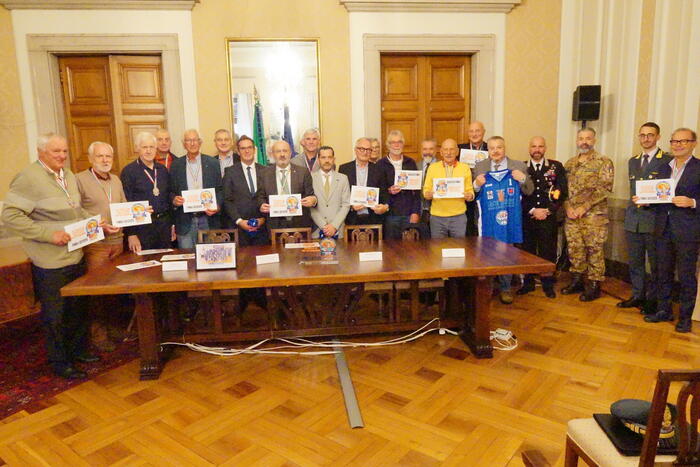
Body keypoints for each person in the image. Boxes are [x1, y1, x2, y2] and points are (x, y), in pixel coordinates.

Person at [1, 134, 113, 379]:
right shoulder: (29, 178)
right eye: (56, 152)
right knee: (56, 314)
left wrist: (96, 223)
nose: (62, 156)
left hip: (75, 255)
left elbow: (76, 210)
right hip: (50, 261)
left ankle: (78, 351)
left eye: (64, 151)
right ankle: (61, 362)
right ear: (41, 153)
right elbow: (10, 216)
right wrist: (48, 234)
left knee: (76, 308)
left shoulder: (68, 175)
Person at [645, 128, 699, 333]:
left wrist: (692, 202)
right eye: (674, 141)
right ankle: (663, 310)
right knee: (662, 273)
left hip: (687, 231)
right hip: (662, 229)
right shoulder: (663, 167)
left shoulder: (698, 167)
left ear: (693, 143)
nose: (677, 145)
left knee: (686, 276)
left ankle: (685, 318)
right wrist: (645, 201)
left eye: (683, 141)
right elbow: (659, 197)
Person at [76, 141, 128, 352]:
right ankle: (98, 335)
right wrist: (100, 225)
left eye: (108, 156)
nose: (105, 160)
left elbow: (123, 205)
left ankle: (114, 328)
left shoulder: (115, 179)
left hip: (117, 243)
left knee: (115, 289)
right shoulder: (79, 180)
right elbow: (76, 211)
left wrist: (137, 214)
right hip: (96, 245)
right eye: (100, 156)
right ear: (91, 159)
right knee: (98, 291)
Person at [618, 122, 671, 313]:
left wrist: (651, 201)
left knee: (656, 264)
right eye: (642, 135)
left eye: (650, 135)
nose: (645, 139)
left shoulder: (667, 160)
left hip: (654, 219)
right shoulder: (633, 161)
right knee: (635, 262)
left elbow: (668, 191)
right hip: (634, 220)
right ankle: (638, 295)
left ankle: (653, 299)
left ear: (658, 137)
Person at [473, 136, 533, 304]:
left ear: (504, 148)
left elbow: (529, 190)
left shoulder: (519, 166)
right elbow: (472, 195)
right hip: (488, 220)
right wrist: (476, 184)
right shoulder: (480, 167)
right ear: (488, 150)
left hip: (509, 219)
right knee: (487, 253)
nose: (496, 151)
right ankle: (489, 288)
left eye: (499, 147)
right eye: (492, 148)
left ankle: (506, 288)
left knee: (507, 253)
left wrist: (522, 179)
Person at [560, 127, 614, 301]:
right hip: (572, 216)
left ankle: (594, 284)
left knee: (594, 249)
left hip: (593, 216)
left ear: (594, 140)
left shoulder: (603, 162)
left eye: (588, 138)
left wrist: (584, 207)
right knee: (575, 248)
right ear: (577, 141)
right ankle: (577, 280)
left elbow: (605, 188)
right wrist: (567, 207)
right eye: (581, 138)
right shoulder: (569, 164)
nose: (584, 141)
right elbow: (562, 190)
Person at [517, 136, 568, 299]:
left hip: (548, 217)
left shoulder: (556, 166)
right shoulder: (521, 168)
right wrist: (532, 210)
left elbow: (561, 192)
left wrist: (548, 210)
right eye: (534, 146)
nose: (537, 149)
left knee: (548, 251)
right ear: (529, 148)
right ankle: (528, 283)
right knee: (528, 252)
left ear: (545, 148)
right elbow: (518, 195)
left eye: (540, 146)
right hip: (528, 217)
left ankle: (547, 284)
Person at [170, 129, 223, 249]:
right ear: (184, 144)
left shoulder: (213, 163)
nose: (192, 143)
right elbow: (170, 191)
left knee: (210, 257)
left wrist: (217, 206)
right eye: (189, 140)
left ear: (200, 142)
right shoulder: (176, 165)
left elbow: (220, 189)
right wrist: (174, 200)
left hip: (208, 219)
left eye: (195, 140)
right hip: (185, 221)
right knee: (187, 260)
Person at [121, 132, 173, 252]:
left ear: (156, 149)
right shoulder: (129, 172)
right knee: (145, 265)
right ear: (137, 149)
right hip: (142, 228)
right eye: (144, 147)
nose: (148, 151)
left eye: (151, 147)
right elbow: (126, 203)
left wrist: (172, 225)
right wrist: (131, 234)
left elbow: (168, 198)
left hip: (164, 226)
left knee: (165, 262)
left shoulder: (162, 170)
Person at [258, 140, 317, 231]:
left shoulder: (303, 172)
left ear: (290, 153)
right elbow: (260, 196)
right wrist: (261, 204)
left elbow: (310, 194)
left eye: (285, 151)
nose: (282, 154)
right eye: (278, 151)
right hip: (275, 225)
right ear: (272, 154)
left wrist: (312, 200)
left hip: (300, 224)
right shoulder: (264, 174)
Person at [422, 138, 474, 238]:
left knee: (458, 249)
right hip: (437, 217)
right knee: (437, 250)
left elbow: (470, 190)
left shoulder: (465, 168)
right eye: (445, 150)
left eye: (452, 149)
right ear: (441, 152)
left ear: (457, 151)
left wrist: (470, 196)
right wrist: (427, 194)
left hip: (458, 217)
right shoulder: (432, 168)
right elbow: (426, 190)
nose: (448, 153)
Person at [223, 135, 268, 246]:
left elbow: (269, 197)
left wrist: (263, 219)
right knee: (243, 261)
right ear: (238, 152)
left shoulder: (266, 171)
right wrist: (239, 221)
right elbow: (227, 200)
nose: (247, 151)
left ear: (254, 150)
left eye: (249, 147)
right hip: (239, 228)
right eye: (243, 148)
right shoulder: (230, 172)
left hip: (263, 227)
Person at [376, 130, 421, 239]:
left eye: (399, 142)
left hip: (409, 214)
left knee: (411, 251)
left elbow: (417, 192)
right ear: (388, 145)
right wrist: (389, 190)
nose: (396, 145)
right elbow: (378, 190)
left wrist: (415, 212)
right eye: (393, 142)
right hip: (390, 215)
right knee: (391, 250)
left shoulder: (410, 163)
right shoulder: (380, 164)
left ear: (403, 144)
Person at [338, 137, 389, 226]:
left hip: (373, 219)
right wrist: (351, 206)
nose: (365, 152)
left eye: (368, 150)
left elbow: (385, 194)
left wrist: (385, 207)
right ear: (355, 150)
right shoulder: (344, 169)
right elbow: (339, 195)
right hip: (351, 219)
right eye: (362, 149)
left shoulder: (379, 169)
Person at [310, 146, 351, 238]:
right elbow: (310, 207)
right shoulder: (310, 178)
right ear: (318, 159)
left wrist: (334, 226)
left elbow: (346, 204)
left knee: (341, 252)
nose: (327, 160)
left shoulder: (343, 178)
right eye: (323, 157)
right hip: (317, 231)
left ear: (334, 159)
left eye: (329, 157)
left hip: (338, 231)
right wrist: (324, 226)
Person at [459, 121, 489, 237]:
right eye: (471, 131)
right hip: (464, 195)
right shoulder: (459, 149)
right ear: (467, 133)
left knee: (483, 226)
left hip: (485, 193)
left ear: (484, 132)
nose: (474, 134)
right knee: (468, 227)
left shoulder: (490, 148)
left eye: (478, 131)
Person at [419, 138, 439, 231]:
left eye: (431, 149)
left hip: (438, 211)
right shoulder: (414, 166)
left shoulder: (442, 166)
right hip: (419, 211)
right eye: (425, 149)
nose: (428, 152)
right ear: (421, 150)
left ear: (436, 150)